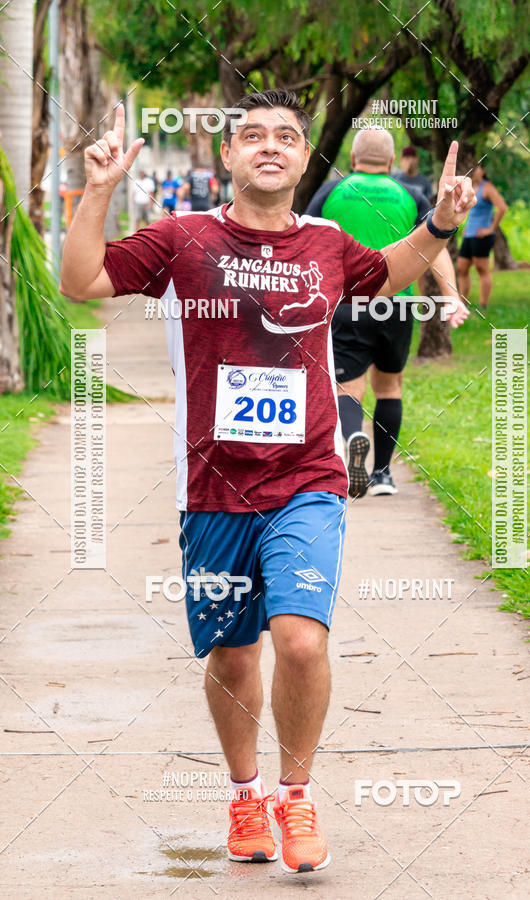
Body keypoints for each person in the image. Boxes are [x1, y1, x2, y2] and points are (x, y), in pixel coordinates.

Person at [59, 90, 474, 875]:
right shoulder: (183, 240)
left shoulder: (325, 243)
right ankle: (244, 792)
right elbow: (83, 282)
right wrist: (101, 190)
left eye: (287, 135)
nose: (271, 146)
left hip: (307, 477)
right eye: (253, 136)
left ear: (304, 156)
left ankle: (295, 796)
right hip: (213, 490)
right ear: (230, 155)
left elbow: (388, 275)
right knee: (235, 657)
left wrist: (442, 224)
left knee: (299, 640)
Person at [305, 127, 467, 497]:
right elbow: (435, 245)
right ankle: (382, 475)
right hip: (398, 304)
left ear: (352, 160)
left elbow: (307, 236)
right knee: (390, 386)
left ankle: (352, 440)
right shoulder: (410, 194)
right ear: (392, 162)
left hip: (347, 303)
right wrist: (451, 295)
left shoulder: (333, 190)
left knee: (349, 385)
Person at [457, 165, 507, 309]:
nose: (474, 171)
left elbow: (502, 207)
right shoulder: (471, 188)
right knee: (461, 268)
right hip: (469, 235)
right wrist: (466, 228)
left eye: (477, 168)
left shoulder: (488, 188)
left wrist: (491, 228)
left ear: (483, 171)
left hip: (482, 236)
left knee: (481, 269)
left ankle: (483, 305)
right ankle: (462, 303)